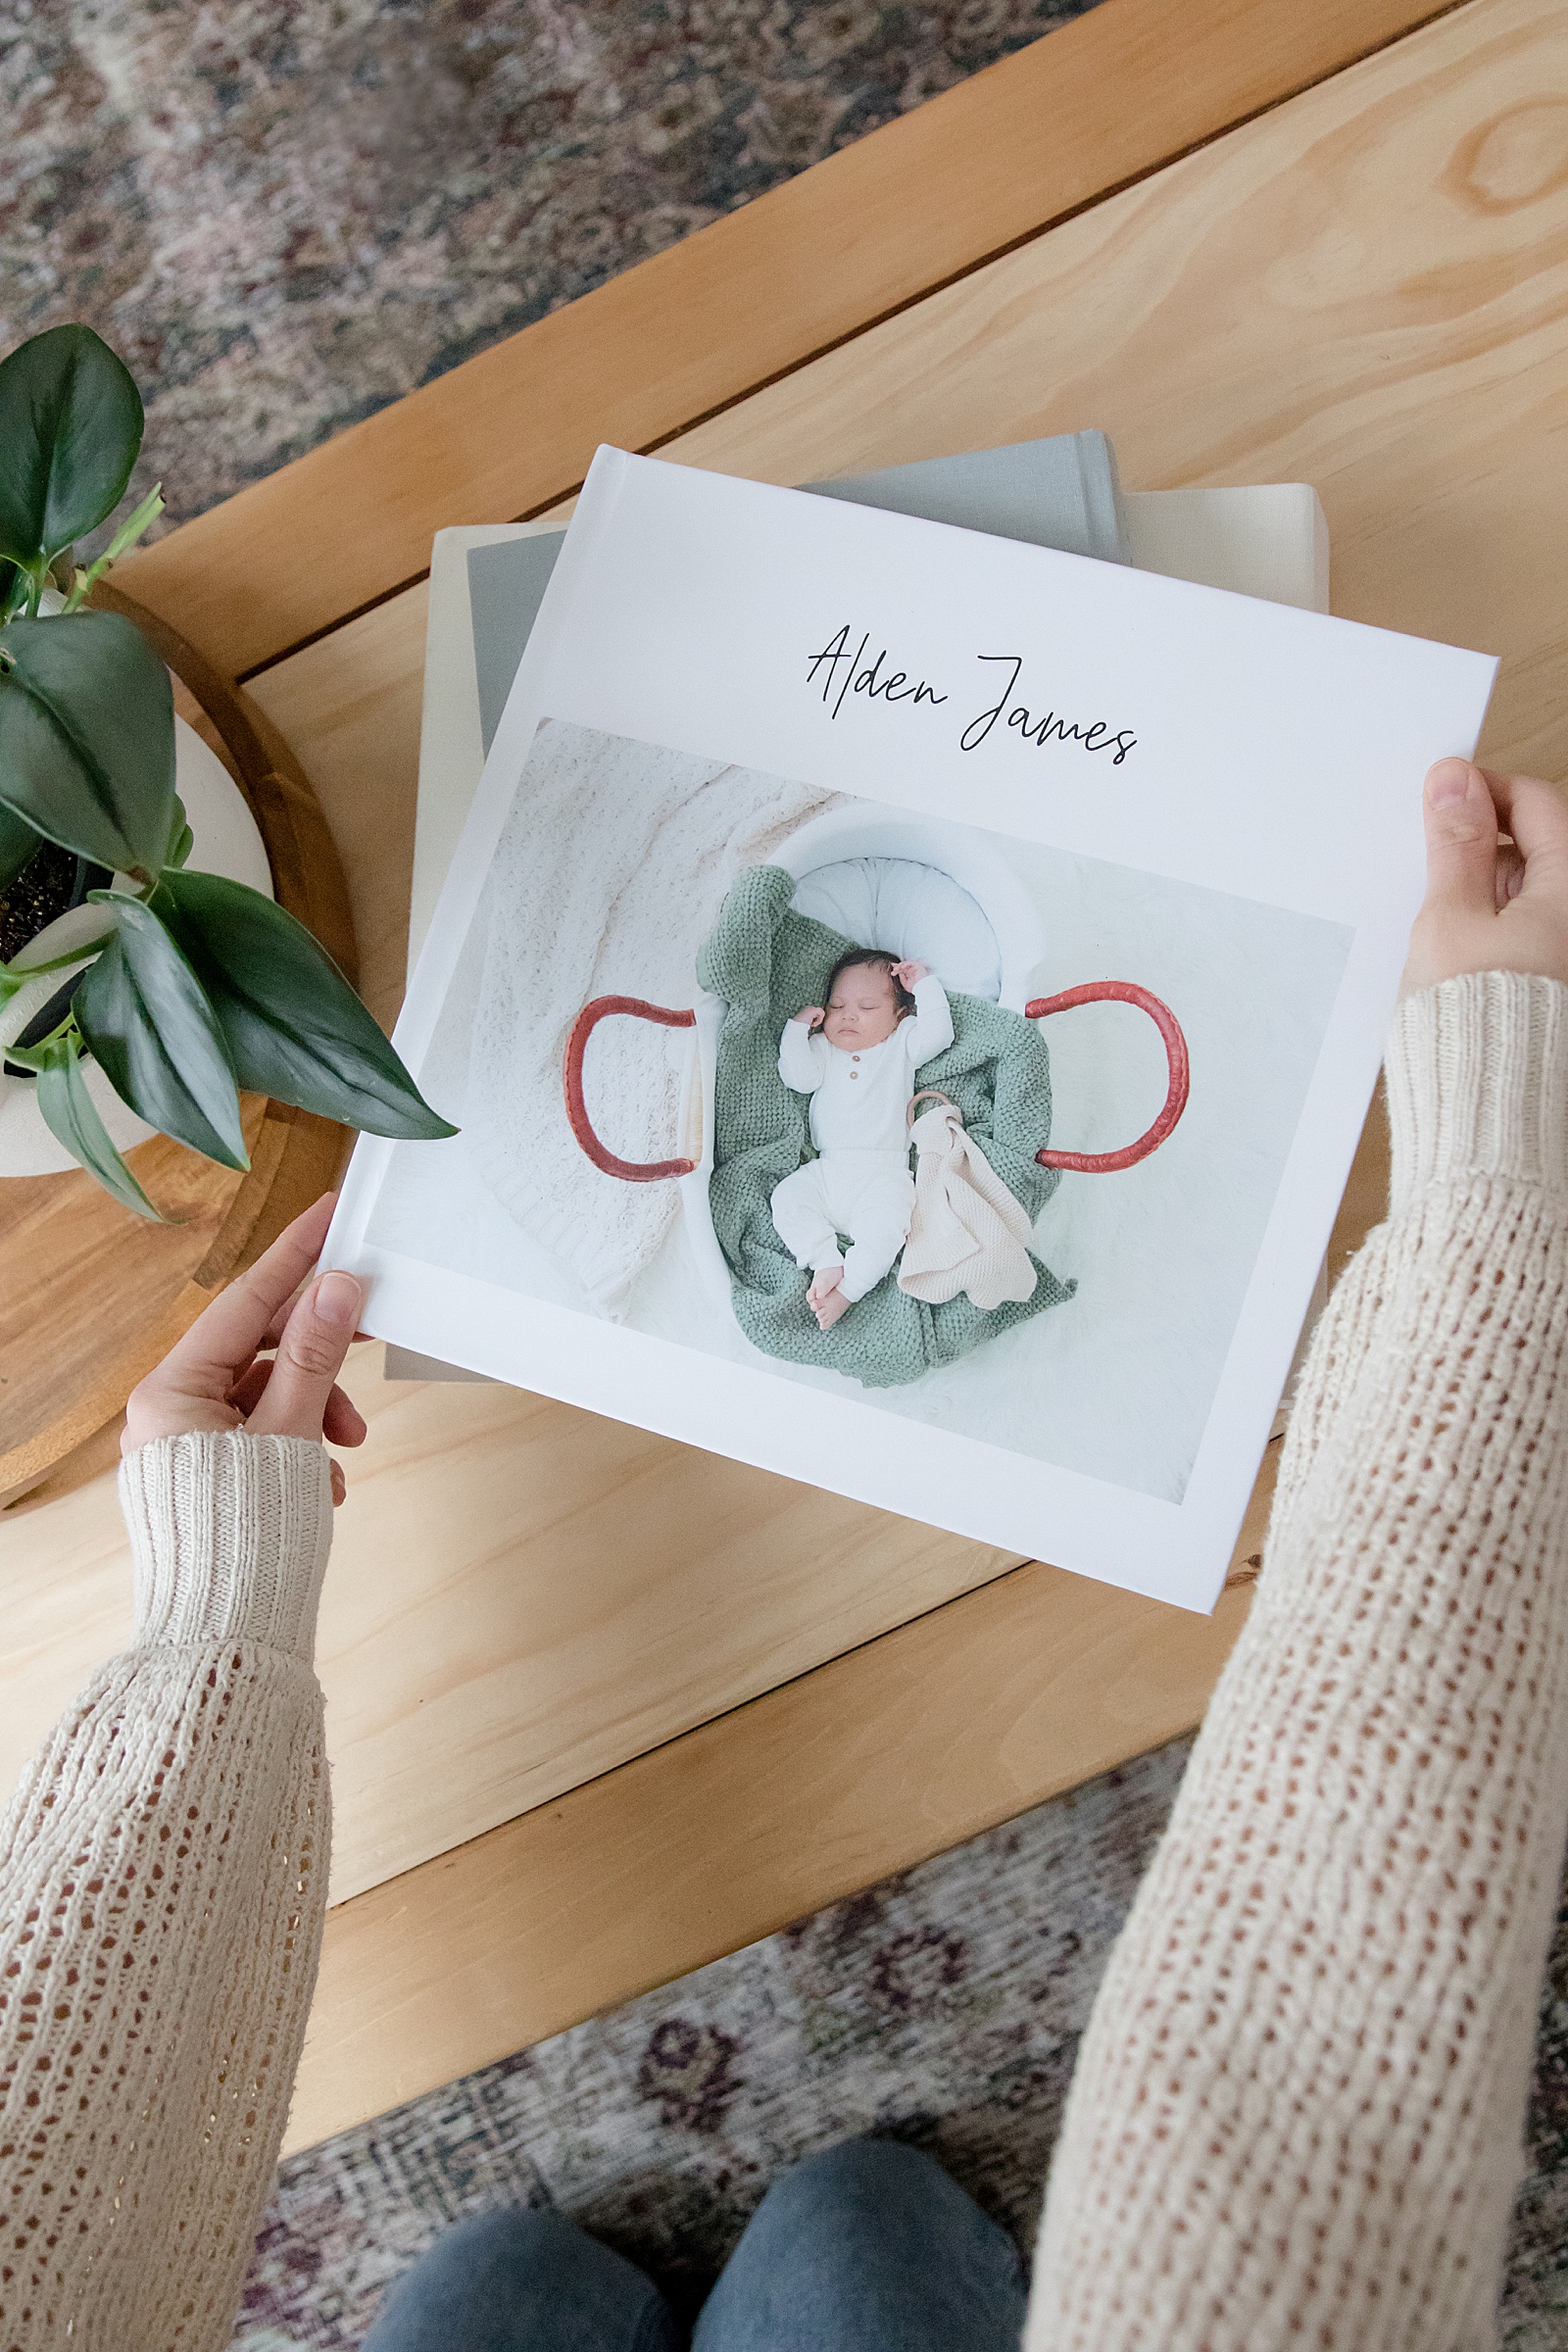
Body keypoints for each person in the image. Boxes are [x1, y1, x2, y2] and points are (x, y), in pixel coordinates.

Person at [2, 754, 1566, 2351]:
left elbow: (55, 2142)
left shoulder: (909, 1052)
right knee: (852, 2235)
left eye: (881, 1002)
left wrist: (215, 1602)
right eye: (861, 1002)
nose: (864, 1014)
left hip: (880, 1175)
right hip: (836, 1177)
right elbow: (1324, 2073)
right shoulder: (823, 1067)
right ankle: (851, 2223)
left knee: (496, 2289)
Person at [770, 949, 954, 1330]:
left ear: (900, 1016)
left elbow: (939, 1034)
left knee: (886, 1234)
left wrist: (924, 986)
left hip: (883, 1174)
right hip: (828, 1170)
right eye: (837, 1006)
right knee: (787, 1197)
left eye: (867, 1007)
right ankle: (825, 1260)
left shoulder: (901, 1044)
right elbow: (797, 1077)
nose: (849, 1015)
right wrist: (797, 1029)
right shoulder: (823, 1048)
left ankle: (848, 1291)